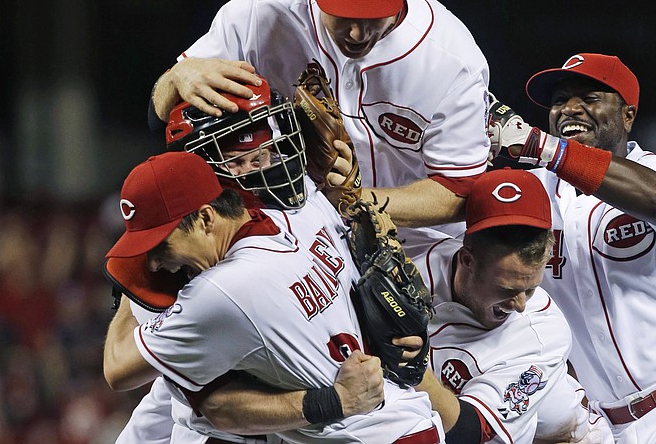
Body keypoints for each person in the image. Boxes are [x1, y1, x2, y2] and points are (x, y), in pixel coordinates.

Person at [148, 0, 493, 248]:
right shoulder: (264, 11)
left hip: (422, 244)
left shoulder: (450, 59)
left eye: (372, 14)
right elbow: (158, 116)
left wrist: (356, 200)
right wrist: (176, 78)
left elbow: (459, 192)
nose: (358, 33)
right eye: (343, 13)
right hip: (305, 228)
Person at [494, 52, 656, 442]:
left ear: (628, 115)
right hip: (607, 426)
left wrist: (544, 149)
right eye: (560, 99)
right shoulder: (535, 194)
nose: (570, 108)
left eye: (590, 97)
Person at [102, 151, 445, 443]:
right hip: (407, 421)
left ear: (206, 217)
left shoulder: (219, 292)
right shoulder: (301, 208)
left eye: (161, 245)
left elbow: (119, 370)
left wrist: (133, 289)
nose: (156, 262)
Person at [409, 168, 611, 444]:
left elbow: (472, 432)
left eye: (530, 288)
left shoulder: (539, 333)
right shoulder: (414, 261)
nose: (519, 305)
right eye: (507, 289)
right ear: (467, 260)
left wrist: (411, 366)